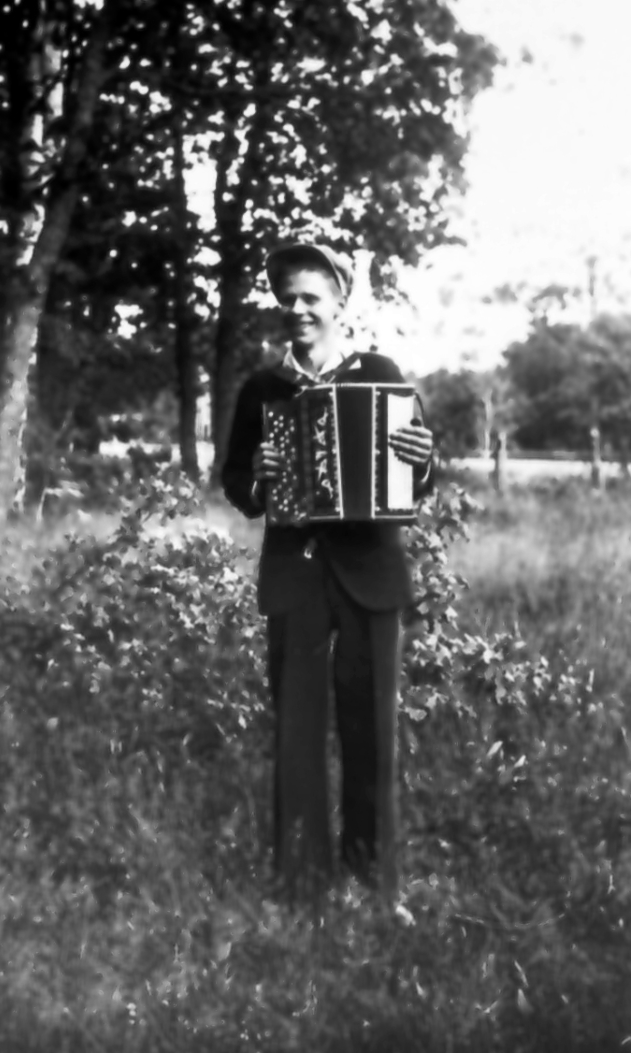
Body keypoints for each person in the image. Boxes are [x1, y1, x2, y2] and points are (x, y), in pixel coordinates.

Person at [221, 240, 434, 897]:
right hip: (295, 574)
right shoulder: (263, 389)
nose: (298, 309)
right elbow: (236, 484)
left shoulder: (379, 373)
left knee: (373, 735)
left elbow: (419, 476)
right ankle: (301, 882)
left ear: (339, 303)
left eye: (310, 297)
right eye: (287, 298)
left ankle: (373, 881)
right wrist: (258, 479)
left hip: (371, 573)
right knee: (298, 733)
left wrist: (421, 457)